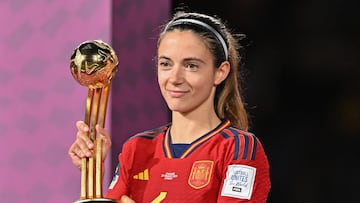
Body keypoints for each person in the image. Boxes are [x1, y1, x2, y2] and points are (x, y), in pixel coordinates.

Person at [68, 11, 271, 203]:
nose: (174, 78)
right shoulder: (136, 148)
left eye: (191, 65)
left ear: (220, 72)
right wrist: (92, 172)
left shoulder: (238, 148)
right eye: (166, 64)